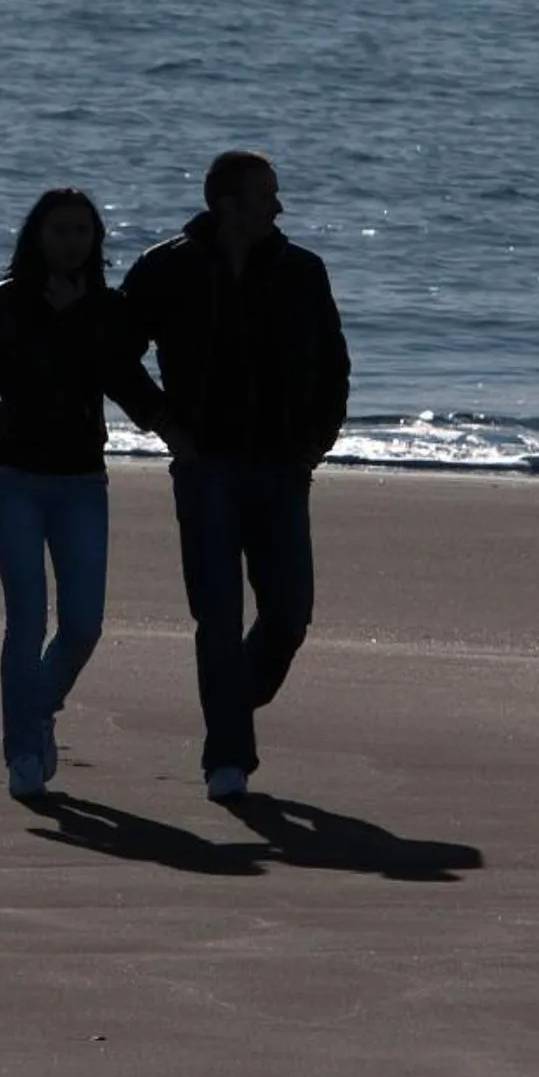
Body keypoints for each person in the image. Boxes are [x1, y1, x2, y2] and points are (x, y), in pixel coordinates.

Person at [119, 150, 350, 801]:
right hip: (205, 466)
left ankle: (229, 706)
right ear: (227, 203)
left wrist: (315, 443)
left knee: (288, 616)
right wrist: (163, 421)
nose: (277, 207)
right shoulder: (167, 268)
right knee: (217, 616)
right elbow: (114, 354)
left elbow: (334, 367)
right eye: (263, 196)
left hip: (282, 466)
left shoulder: (302, 271)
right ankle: (228, 757)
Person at [0, 187, 168, 801]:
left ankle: (36, 711)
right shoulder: (4, 304)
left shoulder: (105, 308)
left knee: (82, 624)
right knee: (25, 619)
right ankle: (22, 754)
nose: (72, 241)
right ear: (37, 237)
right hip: (14, 477)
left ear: (95, 240)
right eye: (60, 230)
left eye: (82, 231)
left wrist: (182, 431)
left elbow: (129, 384)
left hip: (81, 483)